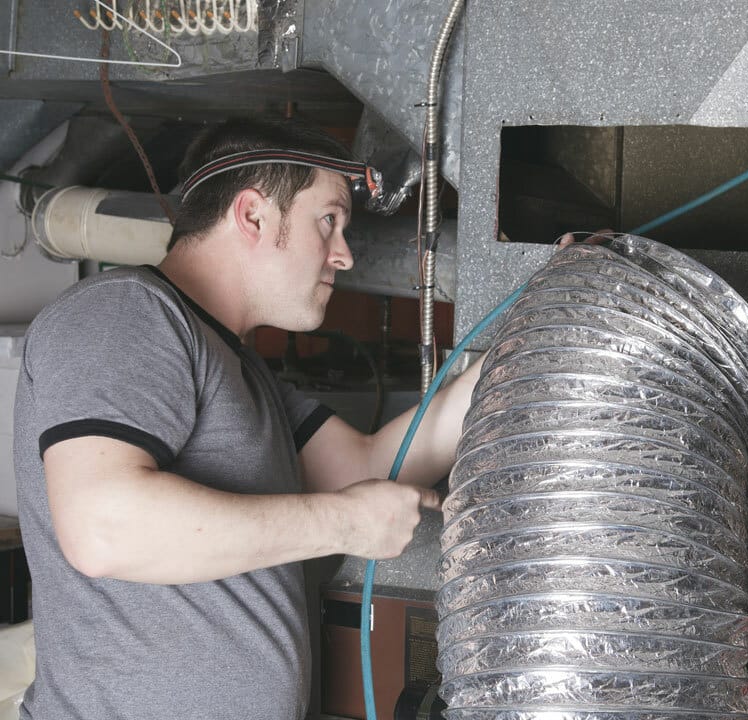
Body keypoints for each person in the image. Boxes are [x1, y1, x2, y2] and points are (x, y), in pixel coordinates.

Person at [12, 118, 480, 719]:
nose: (343, 253)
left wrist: (527, 337)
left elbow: (367, 466)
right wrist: (341, 524)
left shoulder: (243, 370)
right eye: (329, 220)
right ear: (253, 215)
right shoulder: (126, 313)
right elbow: (103, 527)